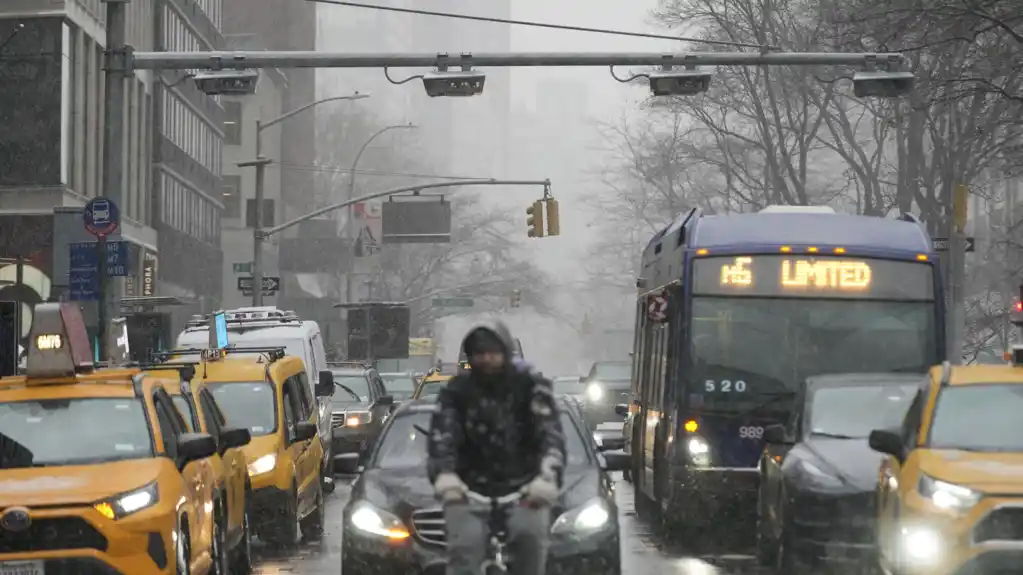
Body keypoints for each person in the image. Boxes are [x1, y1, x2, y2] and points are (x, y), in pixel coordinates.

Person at [427, 321, 566, 575]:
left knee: (531, 541)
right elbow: (442, 436)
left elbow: (551, 435)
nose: (487, 360)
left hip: (524, 489)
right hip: (468, 490)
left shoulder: (531, 388)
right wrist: (446, 476)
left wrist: (547, 477)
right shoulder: (456, 392)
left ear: (506, 353)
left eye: (493, 353)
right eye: (479, 354)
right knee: (463, 550)